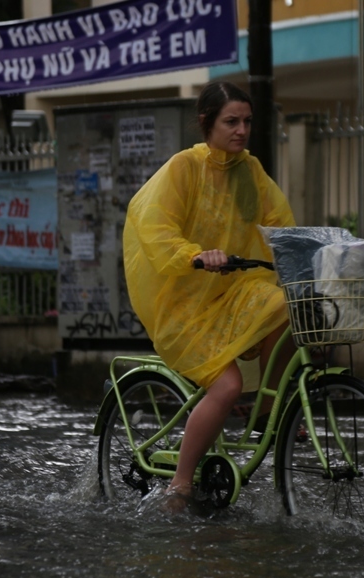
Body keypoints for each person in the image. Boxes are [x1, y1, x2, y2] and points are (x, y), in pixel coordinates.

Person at [122, 81, 296, 508]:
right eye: (231, 122)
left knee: (283, 306)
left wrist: (307, 251)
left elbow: (279, 222)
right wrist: (196, 256)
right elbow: (153, 224)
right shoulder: (185, 167)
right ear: (207, 123)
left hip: (228, 294)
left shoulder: (250, 171)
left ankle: (271, 413)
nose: (241, 130)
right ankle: (179, 486)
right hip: (182, 305)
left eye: (247, 121)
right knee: (227, 384)